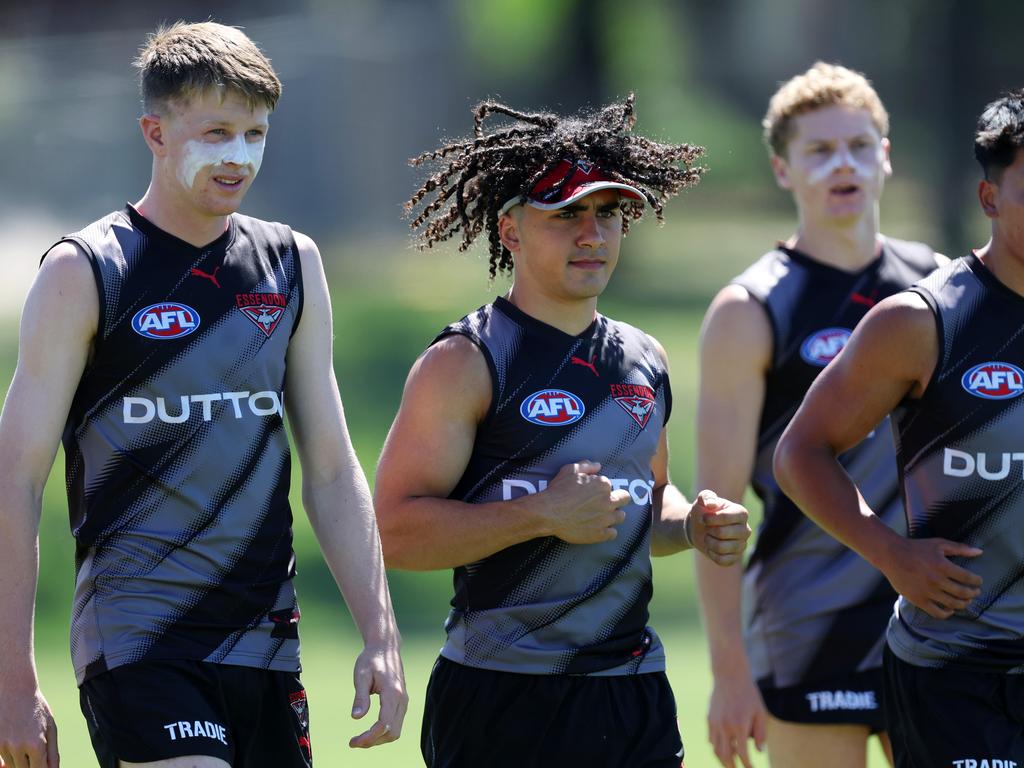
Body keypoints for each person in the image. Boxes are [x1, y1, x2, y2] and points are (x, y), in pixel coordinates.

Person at [0, 21, 406, 768]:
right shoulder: (86, 272)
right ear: (155, 131)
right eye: (217, 131)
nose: (240, 156)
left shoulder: (290, 264)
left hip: (265, 644)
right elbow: (14, 478)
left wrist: (381, 632)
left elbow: (330, 468)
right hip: (137, 639)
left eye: (256, 133)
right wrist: (11, 679)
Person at [373, 95, 751, 768]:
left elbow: (644, 500)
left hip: (632, 695)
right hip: (502, 700)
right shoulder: (466, 361)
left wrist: (690, 522)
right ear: (511, 230)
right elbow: (394, 533)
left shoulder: (645, 359)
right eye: (567, 213)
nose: (592, 234)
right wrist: (540, 515)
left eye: (608, 214)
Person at [695, 62, 944, 768]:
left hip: (932, 611)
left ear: (885, 156)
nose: (845, 164)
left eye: (861, 146)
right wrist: (729, 672)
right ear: (783, 170)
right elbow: (714, 515)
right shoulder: (750, 311)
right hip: (806, 618)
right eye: (820, 150)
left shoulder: (940, 287)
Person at [773, 91, 1024, 767]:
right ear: (990, 197)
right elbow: (801, 452)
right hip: (953, 674)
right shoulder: (922, 322)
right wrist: (888, 551)